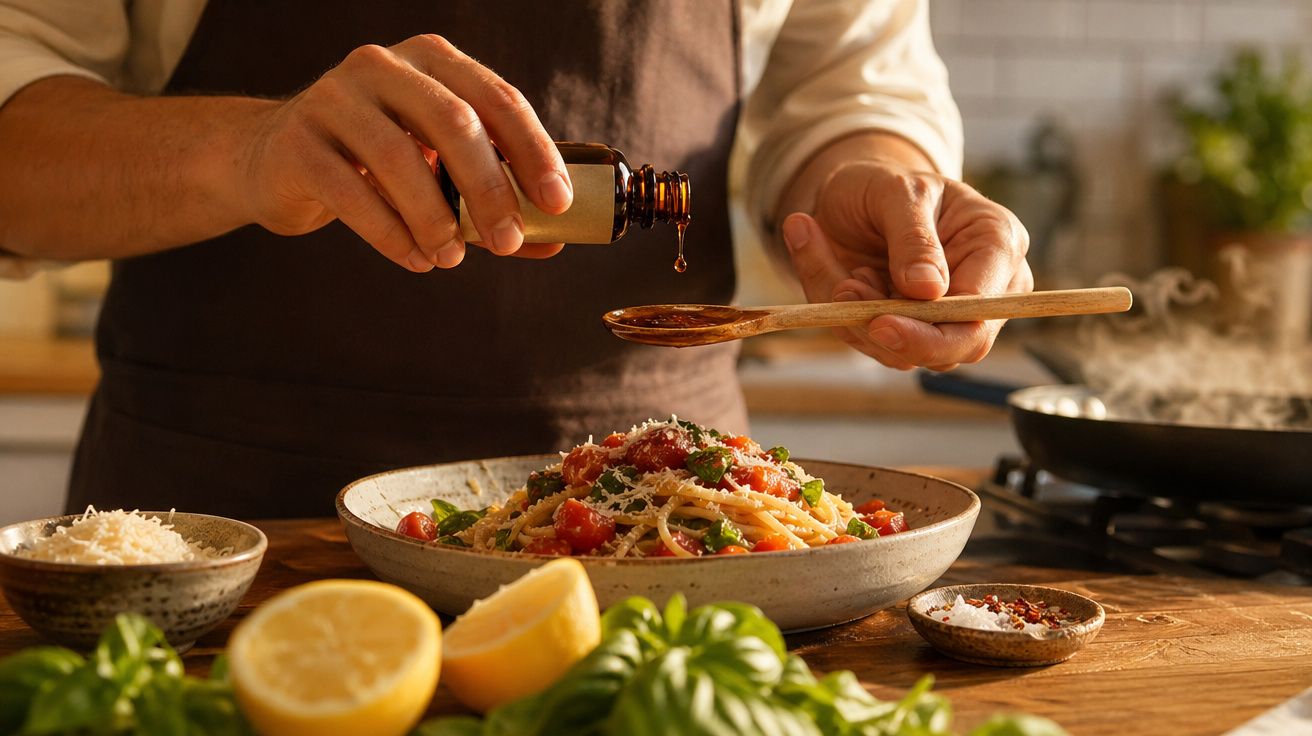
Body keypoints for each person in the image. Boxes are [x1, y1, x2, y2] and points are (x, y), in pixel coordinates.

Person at [0, 1, 1031, 517]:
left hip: (679, 533)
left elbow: (849, 82)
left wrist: (867, 176)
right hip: (229, 524)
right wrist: (247, 151)